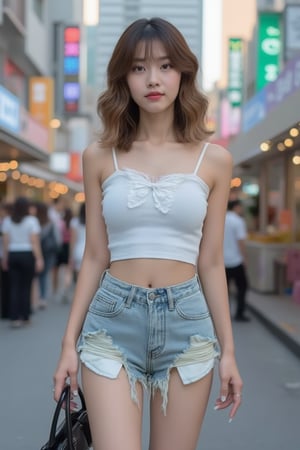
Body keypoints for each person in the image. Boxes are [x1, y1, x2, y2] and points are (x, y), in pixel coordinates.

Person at [53, 17, 243, 450]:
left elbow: (210, 261)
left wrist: (228, 350)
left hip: (188, 328)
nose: (152, 79)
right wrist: (68, 344)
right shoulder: (100, 156)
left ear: (183, 74)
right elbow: (95, 255)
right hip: (111, 326)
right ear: (124, 77)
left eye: (164, 66)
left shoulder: (214, 161)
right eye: (138, 68)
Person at [1, 196, 43, 327]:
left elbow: (6, 242)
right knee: (26, 286)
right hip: (27, 254)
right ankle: (25, 316)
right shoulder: (32, 221)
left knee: (14, 286)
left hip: (13, 254)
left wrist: (5, 258)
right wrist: (39, 259)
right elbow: (35, 242)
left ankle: (14, 317)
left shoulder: (8, 221)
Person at [224, 199, 250, 322]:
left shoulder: (221, 220)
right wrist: (245, 258)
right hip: (236, 261)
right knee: (243, 287)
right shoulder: (238, 221)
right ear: (237, 207)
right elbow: (241, 242)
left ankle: (223, 316)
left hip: (222, 261)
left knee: (224, 290)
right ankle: (239, 313)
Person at [69, 202, 86, 283]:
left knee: (79, 280)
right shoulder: (95, 221)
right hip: (91, 251)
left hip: (78, 251)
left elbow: (73, 240)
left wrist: (70, 257)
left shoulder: (75, 222)